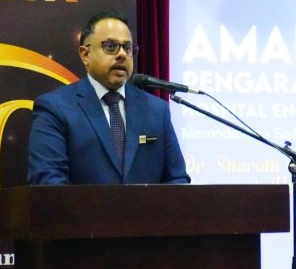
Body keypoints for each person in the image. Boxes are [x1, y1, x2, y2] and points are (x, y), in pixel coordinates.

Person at [28, 11, 190, 185]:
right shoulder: (55, 107)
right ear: (85, 55)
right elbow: (49, 183)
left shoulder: (157, 110)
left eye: (127, 48)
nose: (122, 54)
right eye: (110, 46)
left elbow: (177, 179)